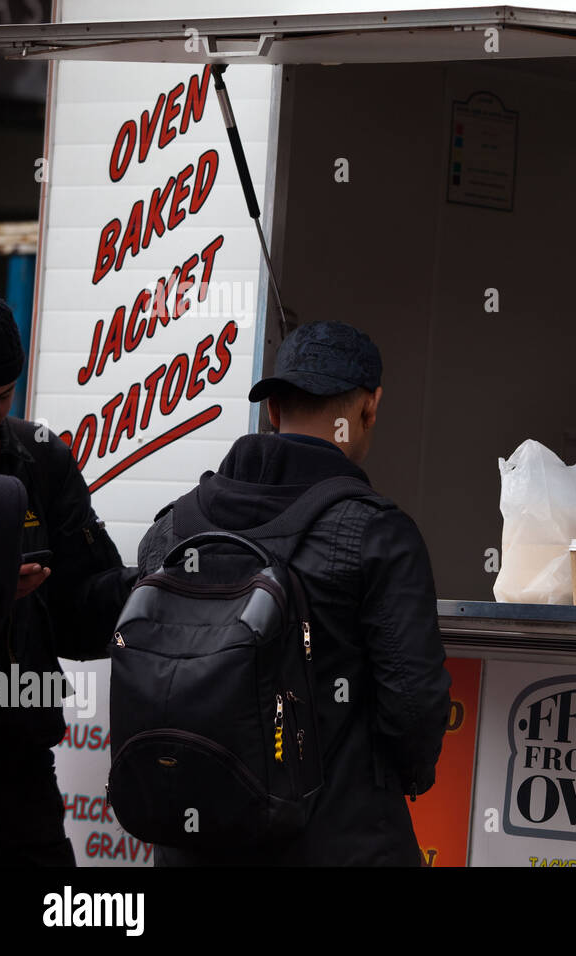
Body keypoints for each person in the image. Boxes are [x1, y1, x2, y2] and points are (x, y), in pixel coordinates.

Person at [135, 320, 451, 866]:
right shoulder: (378, 533)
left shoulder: (171, 529)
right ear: (369, 409)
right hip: (339, 840)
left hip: (192, 842)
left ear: (273, 411)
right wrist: (408, 777)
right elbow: (414, 706)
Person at [0, 293, 137, 866]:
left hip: (21, 763)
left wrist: (149, 586)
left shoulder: (41, 459)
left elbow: (85, 614)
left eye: (0, 399)